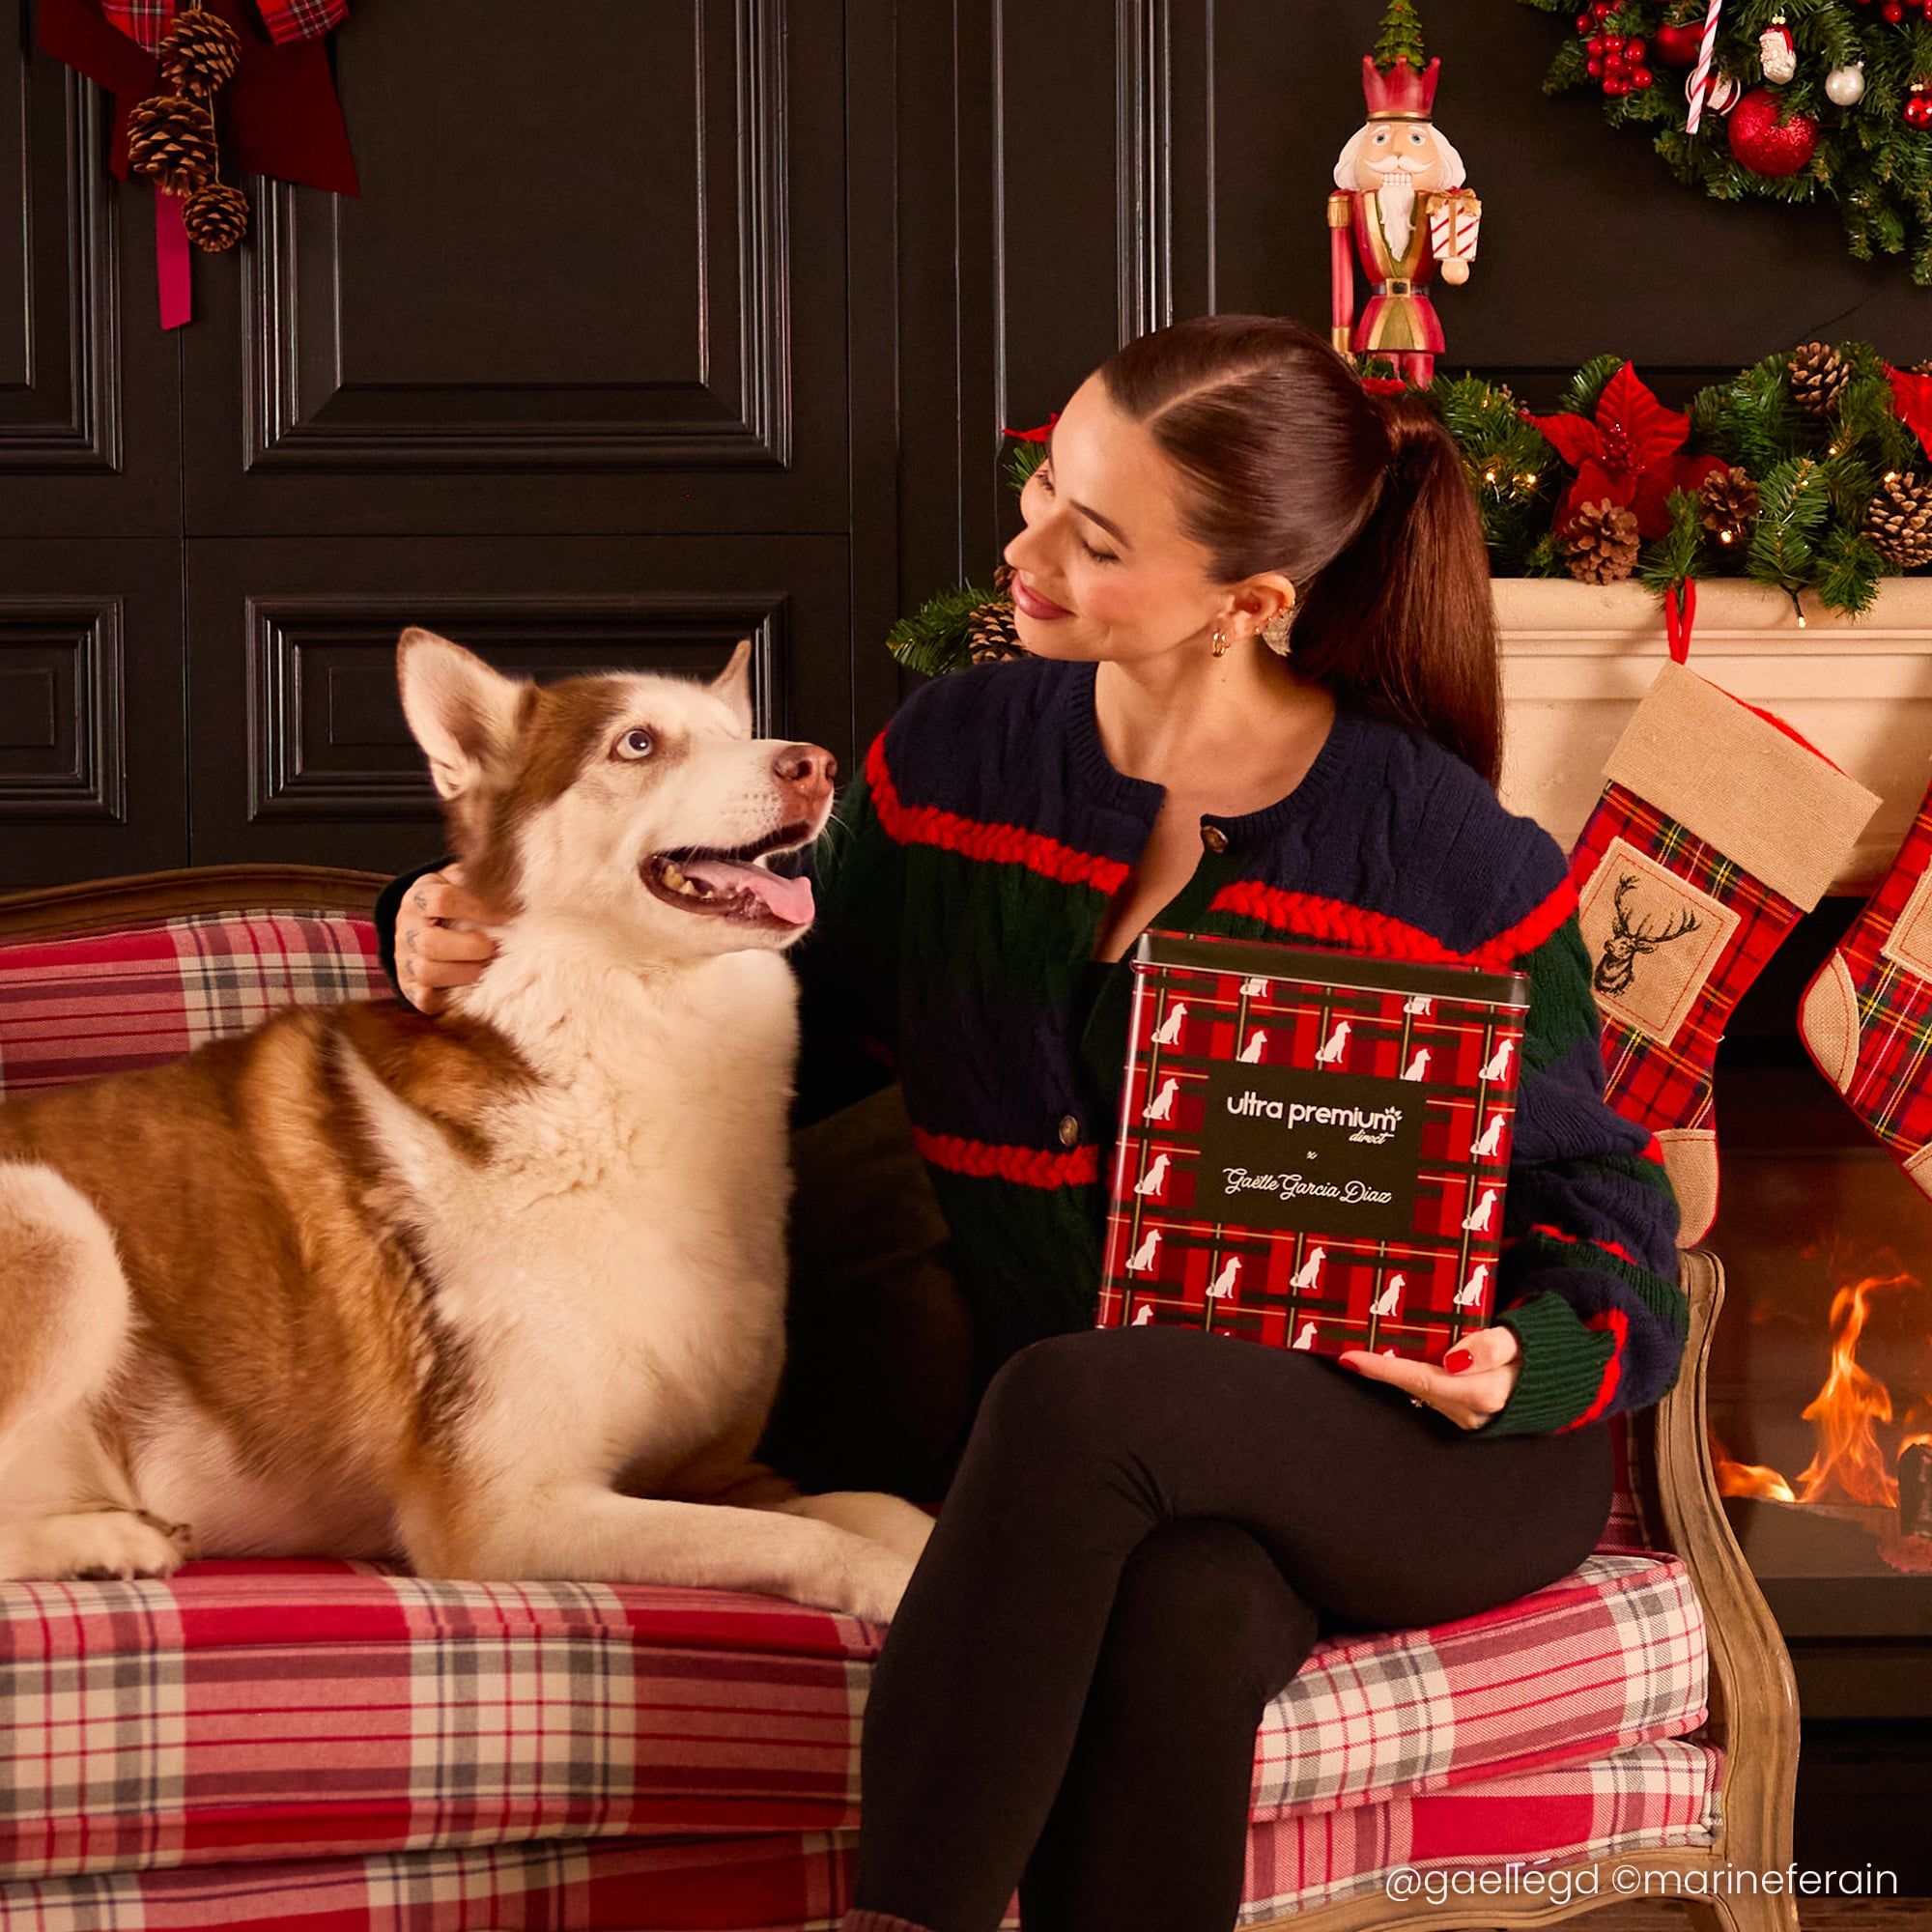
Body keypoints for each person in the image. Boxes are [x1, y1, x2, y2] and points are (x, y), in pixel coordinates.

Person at [372, 314, 1685, 1932]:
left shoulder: (1447, 857)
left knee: (1072, 1391)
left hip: (1427, 1447)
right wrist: (448, 909)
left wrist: (1520, 1364)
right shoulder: (959, 763)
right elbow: (758, 1012)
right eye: (1048, 485)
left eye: (1097, 538)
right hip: (1114, 1474)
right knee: (1188, 1611)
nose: (1026, 549)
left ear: (1249, 604)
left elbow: (1607, 1213)